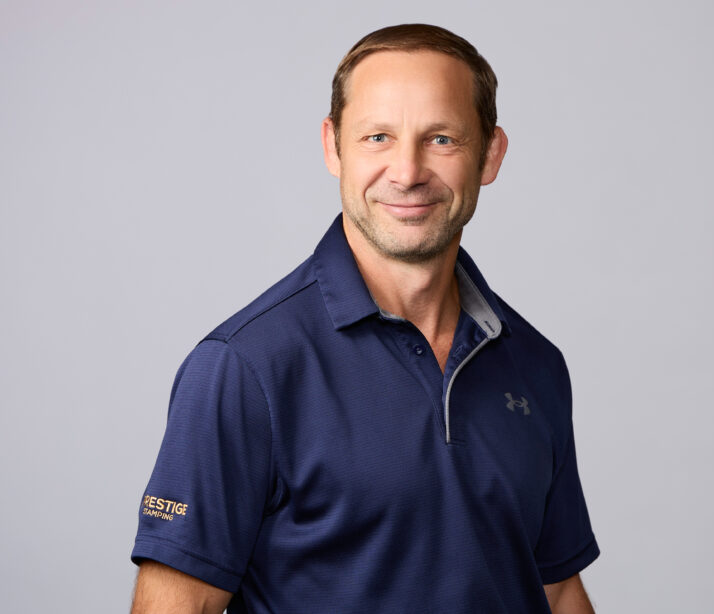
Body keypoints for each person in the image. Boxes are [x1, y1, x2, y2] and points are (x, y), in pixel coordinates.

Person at [130, 23, 600, 614]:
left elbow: (556, 591)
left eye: (442, 139)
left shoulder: (536, 365)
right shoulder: (245, 368)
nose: (407, 172)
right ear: (333, 148)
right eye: (378, 137)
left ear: (490, 153)